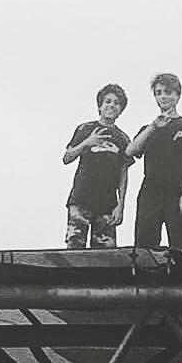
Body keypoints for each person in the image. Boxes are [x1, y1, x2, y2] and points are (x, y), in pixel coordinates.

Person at [126, 72, 182, 248]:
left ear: (177, 95)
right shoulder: (148, 128)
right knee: (145, 245)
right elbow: (130, 151)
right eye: (158, 93)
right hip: (150, 192)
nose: (163, 97)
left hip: (177, 191)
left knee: (181, 246)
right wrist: (153, 126)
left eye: (168, 92)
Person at [62, 83, 133, 249]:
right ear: (100, 106)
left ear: (120, 110)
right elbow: (67, 157)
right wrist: (87, 143)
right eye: (107, 101)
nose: (111, 105)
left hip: (107, 204)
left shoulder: (122, 138)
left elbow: (123, 173)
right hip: (81, 199)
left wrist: (121, 205)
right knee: (75, 249)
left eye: (116, 103)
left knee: (105, 255)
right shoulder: (85, 129)